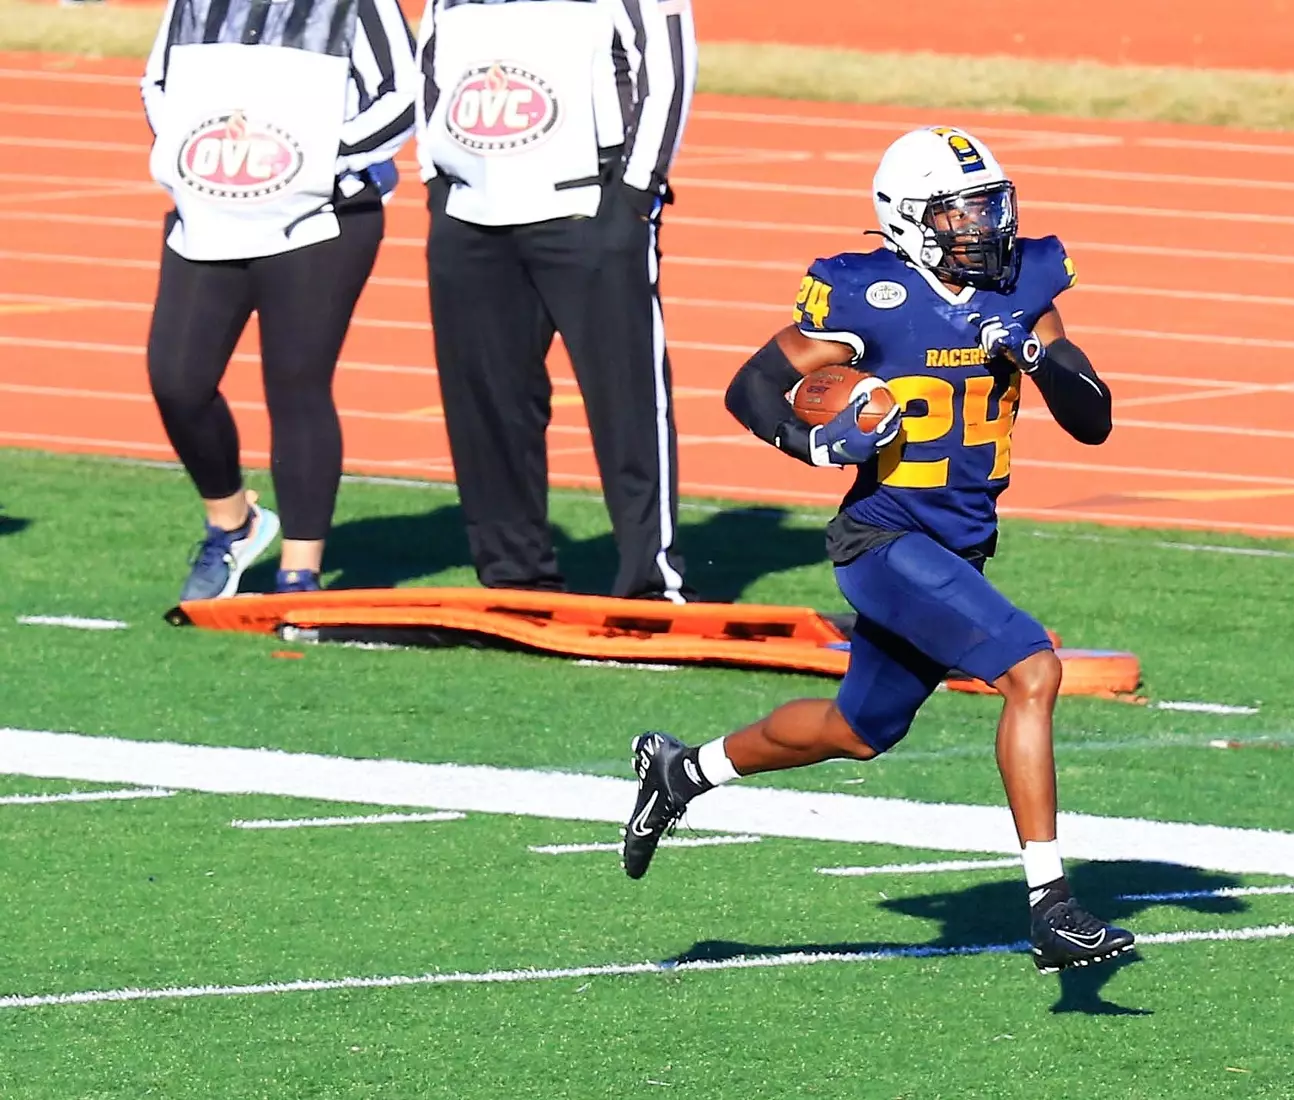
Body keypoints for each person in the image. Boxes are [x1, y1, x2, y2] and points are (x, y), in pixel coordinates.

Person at [620, 126, 1130, 973]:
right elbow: (752, 386)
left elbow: (1094, 419)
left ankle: (684, 773)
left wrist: (1036, 352)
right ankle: (1051, 904)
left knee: (858, 730)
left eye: (990, 207)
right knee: (1031, 668)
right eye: (963, 212)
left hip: (956, 551)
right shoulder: (867, 294)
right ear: (909, 219)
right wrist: (815, 447)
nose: (986, 227)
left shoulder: (1026, 281)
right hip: (884, 539)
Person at [417, 0, 696, 602]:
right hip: (470, 213)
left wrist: (633, 193)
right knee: (487, 403)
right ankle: (513, 576)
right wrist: (436, 181)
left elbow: (668, 69)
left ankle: (651, 581)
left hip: (586, 207)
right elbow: (431, 66)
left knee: (628, 402)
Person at [141, 0, 417, 600]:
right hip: (211, 209)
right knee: (177, 379)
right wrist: (193, 155)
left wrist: (318, 164)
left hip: (321, 218)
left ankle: (300, 571)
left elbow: (403, 96)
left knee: (296, 382)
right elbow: (158, 82)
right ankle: (233, 524)